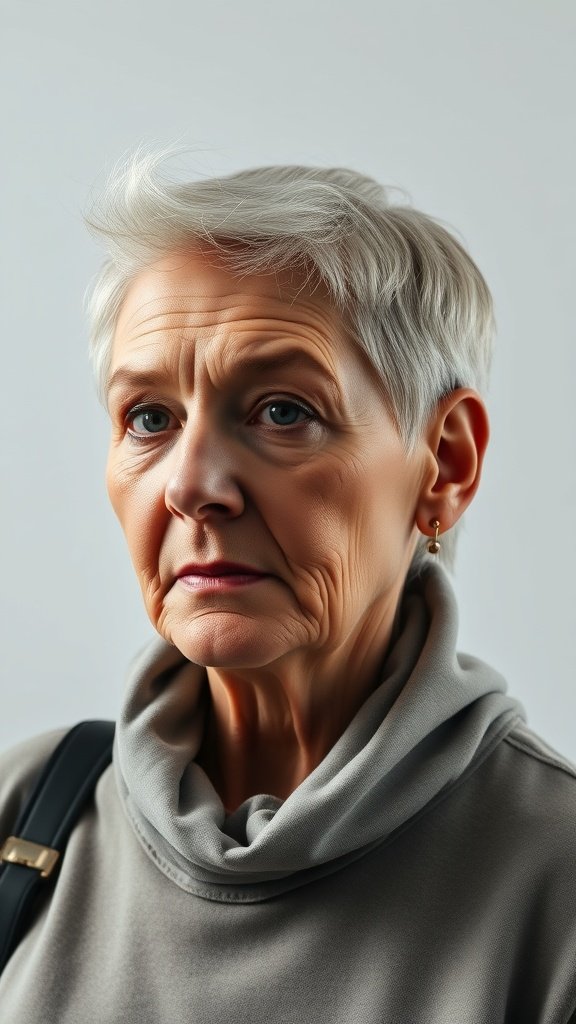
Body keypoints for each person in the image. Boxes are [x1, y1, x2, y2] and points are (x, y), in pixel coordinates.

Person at [1, 154, 575, 1024]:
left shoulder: (555, 880)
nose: (193, 486)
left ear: (445, 465)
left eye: (282, 411)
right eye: (149, 418)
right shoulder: (25, 814)